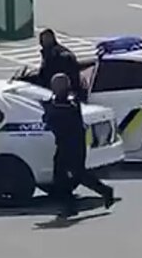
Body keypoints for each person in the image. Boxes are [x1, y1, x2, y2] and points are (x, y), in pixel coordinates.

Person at [43, 73, 116, 217]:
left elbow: (58, 115)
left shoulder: (68, 103)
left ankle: (104, 191)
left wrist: (49, 112)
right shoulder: (59, 101)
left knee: (77, 174)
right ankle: (70, 206)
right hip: (65, 143)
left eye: (57, 85)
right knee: (61, 176)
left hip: (73, 144)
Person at [37, 29, 87, 102]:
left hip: (57, 91)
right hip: (71, 90)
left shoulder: (52, 56)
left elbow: (45, 75)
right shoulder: (62, 52)